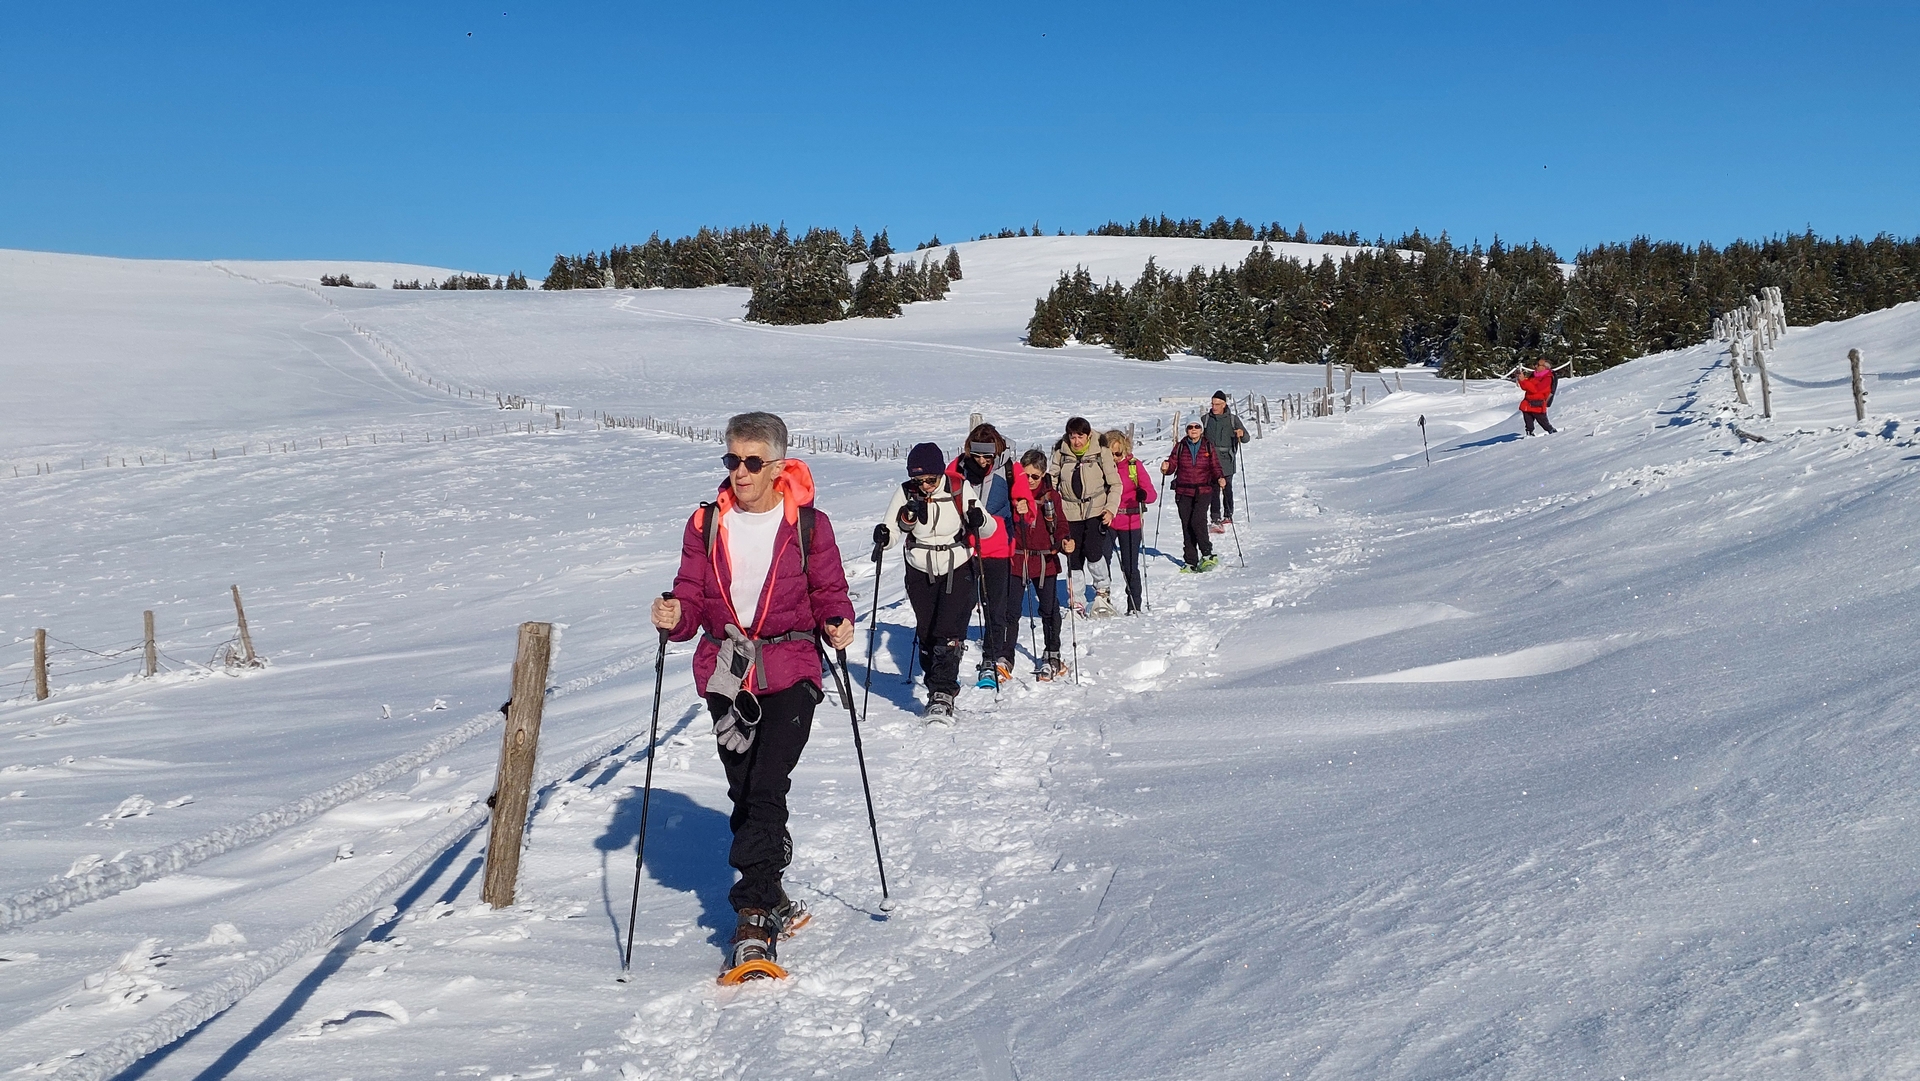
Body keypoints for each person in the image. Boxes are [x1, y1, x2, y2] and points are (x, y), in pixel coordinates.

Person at [651, 411, 857, 979]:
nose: (739, 473)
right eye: (731, 460)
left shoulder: (810, 525)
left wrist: (840, 621)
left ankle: (755, 915)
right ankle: (773, 886)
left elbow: (828, 590)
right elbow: (691, 598)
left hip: (791, 668)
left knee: (766, 786)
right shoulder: (705, 525)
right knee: (743, 790)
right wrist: (674, 617)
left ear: (779, 466)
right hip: (727, 674)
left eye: (751, 462)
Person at [876, 441, 995, 720]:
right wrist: (883, 536)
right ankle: (935, 683)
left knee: (949, 632)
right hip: (919, 568)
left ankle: (942, 693)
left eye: (931, 479)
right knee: (928, 633)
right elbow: (892, 530)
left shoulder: (958, 487)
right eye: (920, 480)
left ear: (941, 473)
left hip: (958, 564)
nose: (926, 485)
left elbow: (987, 529)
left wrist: (977, 518)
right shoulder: (905, 493)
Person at [949, 423, 1018, 689]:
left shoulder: (1010, 469)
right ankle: (951, 659)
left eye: (986, 456)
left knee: (995, 608)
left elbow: (1024, 500)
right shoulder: (957, 467)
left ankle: (990, 659)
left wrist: (1024, 508)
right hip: (963, 548)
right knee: (960, 606)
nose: (981, 461)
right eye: (976, 455)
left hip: (998, 548)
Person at [1008, 448, 1071, 679]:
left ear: (1043, 474)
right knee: (1011, 610)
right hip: (1017, 558)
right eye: (1026, 476)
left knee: (1049, 609)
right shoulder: (1012, 496)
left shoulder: (1051, 496)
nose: (1031, 481)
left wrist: (1065, 541)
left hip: (1045, 560)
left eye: (1035, 476)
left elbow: (1062, 525)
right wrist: (1018, 512)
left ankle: (1052, 652)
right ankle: (1005, 655)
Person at [1050, 417, 1122, 617]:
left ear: (1088, 435)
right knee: (1073, 556)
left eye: (1080, 436)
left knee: (1093, 551)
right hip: (1068, 511)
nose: (1076, 441)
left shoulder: (1101, 452)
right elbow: (1052, 482)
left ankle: (1102, 589)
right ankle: (1077, 599)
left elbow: (1115, 484)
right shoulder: (1060, 453)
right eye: (1072, 436)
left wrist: (1110, 509)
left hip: (1096, 509)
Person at [1103, 429, 1157, 615]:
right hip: (1107, 520)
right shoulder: (1102, 468)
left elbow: (1152, 494)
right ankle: (1104, 600)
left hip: (1130, 521)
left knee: (1129, 565)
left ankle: (1134, 604)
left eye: (1118, 453)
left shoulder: (1134, 466)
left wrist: (1143, 495)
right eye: (1110, 454)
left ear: (1125, 449)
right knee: (1102, 562)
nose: (1115, 458)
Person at [1162, 420, 1225, 572]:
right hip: (1183, 492)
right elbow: (1171, 465)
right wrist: (1166, 468)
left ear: (1201, 429)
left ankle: (1208, 554)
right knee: (1187, 525)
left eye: (1197, 426)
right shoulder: (1180, 446)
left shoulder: (1208, 446)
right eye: (1190, 427)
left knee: (1198, 521)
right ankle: (1190, 561)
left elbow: (1215, 466)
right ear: (1187, 430)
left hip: (1203, 490)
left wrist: (1220, 477)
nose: (1194, 430)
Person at [1202, 391, 1250, 532]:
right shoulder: (1205, 419)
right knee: (1214, 489)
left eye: (1217, 404)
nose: (1214, 407)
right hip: (1210, 459)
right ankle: (1215, 518)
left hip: (1227, 459)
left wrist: (1241, 434)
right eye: (1212, 404)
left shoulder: (1233, 420)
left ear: (1224, 404)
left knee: (1227, 488)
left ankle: (1228, 514)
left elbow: (1246, 438)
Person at [1517, 359, 1558, 435]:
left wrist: (1524, 381)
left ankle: (1552, 432)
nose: (1535, 366)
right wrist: (1521, 381)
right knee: (1528, 421)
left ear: (1544, 367)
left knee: (1543, 422)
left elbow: (1536, 390)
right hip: (1527, 403)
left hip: (1538, 404)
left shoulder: (1548, 378)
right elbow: (1525, 387)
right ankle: (1529, 433)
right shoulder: (1533, 375)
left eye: (1538, 365)